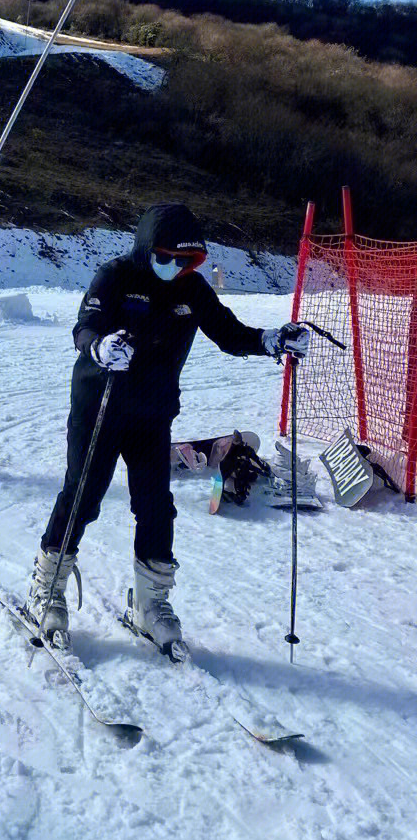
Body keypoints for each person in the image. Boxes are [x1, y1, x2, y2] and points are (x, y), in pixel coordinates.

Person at [25, 203, 310, 656]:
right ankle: (47, 586)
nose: (174, 267)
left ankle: (150, 602)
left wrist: (269, 341)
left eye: (186, 261)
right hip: (99, 407)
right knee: (82, 495)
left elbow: (228, 332)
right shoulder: (115, 275)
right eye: (165, 257)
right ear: (146, 250)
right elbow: (85, 326)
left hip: (152, 414)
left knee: (156, 506)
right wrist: (99, 347)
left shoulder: (192, 290)